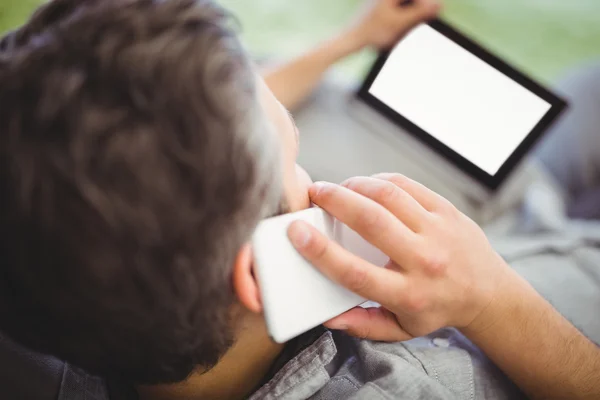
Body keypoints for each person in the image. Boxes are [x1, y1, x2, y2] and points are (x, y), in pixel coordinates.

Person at [1, 0, 530, 399]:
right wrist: (489, 298)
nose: (314, 177)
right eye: (295, 164)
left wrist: (354, 39)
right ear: (255, 274)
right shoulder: (416, 385)